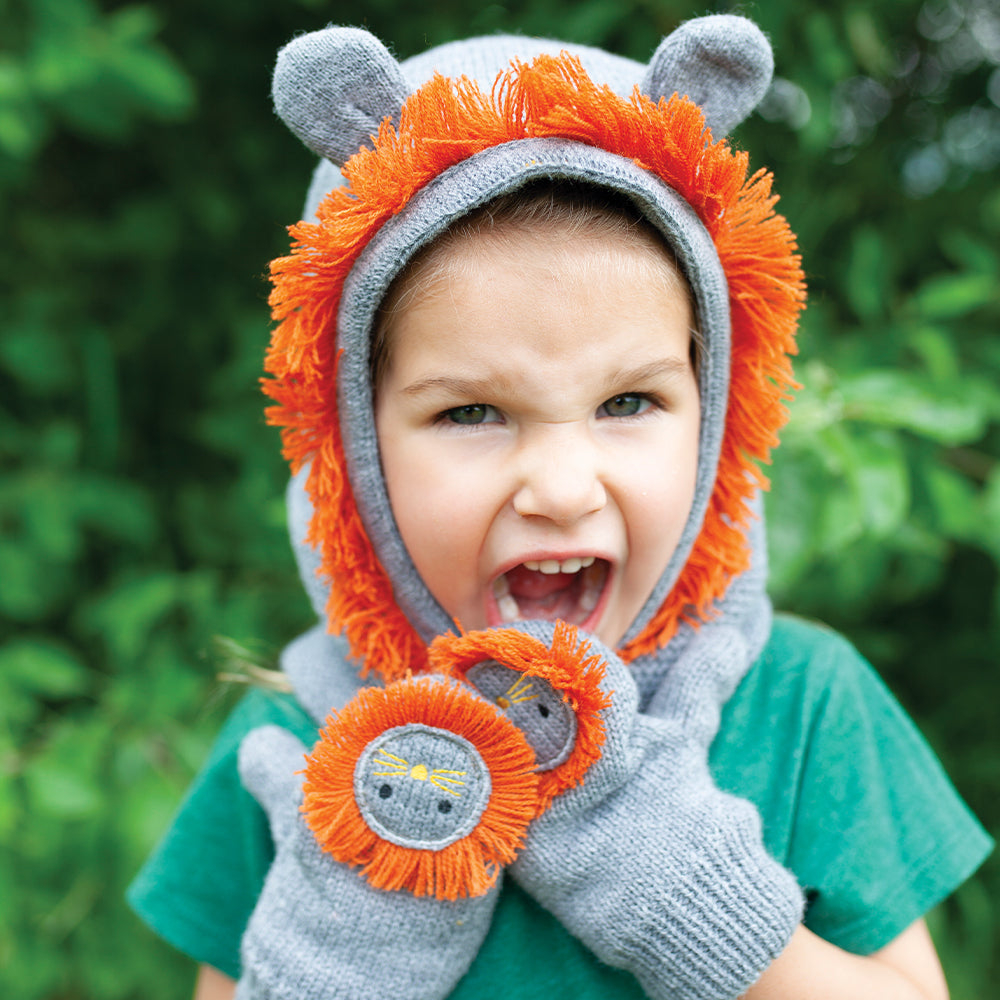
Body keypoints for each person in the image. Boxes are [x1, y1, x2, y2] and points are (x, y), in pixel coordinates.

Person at [127, 15, 992, 1000]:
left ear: (713, 418)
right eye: (470, 413)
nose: (564, 488)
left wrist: (692, 902)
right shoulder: (301, 744)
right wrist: (330, 967)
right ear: (355, 449)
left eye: (628, 403)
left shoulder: (801, 702)